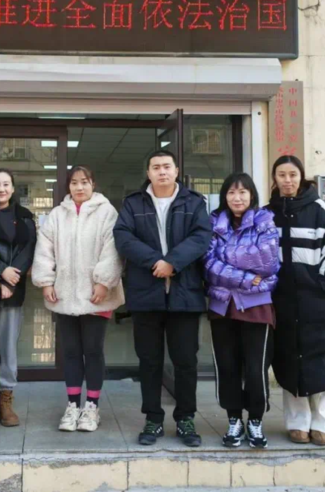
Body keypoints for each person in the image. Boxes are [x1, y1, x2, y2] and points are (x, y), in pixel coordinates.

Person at [113, 150, 211, 447]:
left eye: (167, 166)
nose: (162, 172)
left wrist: (173, 262)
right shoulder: (133, 203)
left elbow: (202, 237)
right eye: (156, 167)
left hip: (185, 294)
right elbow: (123, 237)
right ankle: (153, 419)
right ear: (148, 173)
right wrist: (156, 262)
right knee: (149, 361)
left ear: (176, 170)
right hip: (146, 294)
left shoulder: (194, 202)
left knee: (185, 361)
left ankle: (186, 419)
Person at [32, 166, 124, 433]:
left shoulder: (107, 213)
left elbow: (113, 250)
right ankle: (73, 405)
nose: (79, 187)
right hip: (64, 294)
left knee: (93, 351)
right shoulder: (57, 215)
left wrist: (104, 282)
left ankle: (92, 406)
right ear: (68, 186)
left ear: (93, 184)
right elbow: (44, 249)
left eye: (84, 182)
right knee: (71, 352)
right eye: (74, 183)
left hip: (96, 295)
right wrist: (46, 281)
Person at [267, 155, 325, 447]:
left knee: (322, 362)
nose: (287, 180)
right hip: (284, 302)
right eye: (281, 175)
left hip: (319, 303)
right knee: (290, 361)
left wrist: (322, 287)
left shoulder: (319, 210)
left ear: (301, 177)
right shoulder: (267, 214)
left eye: (292, 174)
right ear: (274, 178)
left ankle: (322, 424)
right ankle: (297, 424)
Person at [204, 173, 279, 449]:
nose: (237, 198)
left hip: (257, 307)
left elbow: (267, 262)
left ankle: (256, 420)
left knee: (256, 368)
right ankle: (234, 419)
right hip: (222, 306)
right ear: (224, 196)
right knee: (227, 367)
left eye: (243, 192)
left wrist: (227, 258)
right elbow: (208, 264)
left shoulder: (265, 220)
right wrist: (247, 275)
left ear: (252, 195)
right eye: (231, 192)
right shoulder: (213, 223)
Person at [0, 169, 37, 430]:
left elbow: (29, 249)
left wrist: (11, 279)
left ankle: (6, 400)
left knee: (8, 345)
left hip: (13, 288)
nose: (1, 189)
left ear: (12, 189)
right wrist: (1, 272)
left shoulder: (24, 216)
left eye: (6, 184)